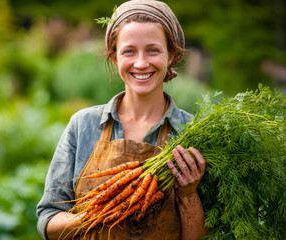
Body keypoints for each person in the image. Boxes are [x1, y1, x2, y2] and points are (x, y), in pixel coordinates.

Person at [37, 0, 211, 239]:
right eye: (129, 51)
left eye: (153, 50)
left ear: (171, 56)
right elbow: (49, 220)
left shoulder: (193, 134)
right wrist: (98, 214)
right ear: (115, 58)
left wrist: (189, 194)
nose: (141, 63)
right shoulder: (83, 125)